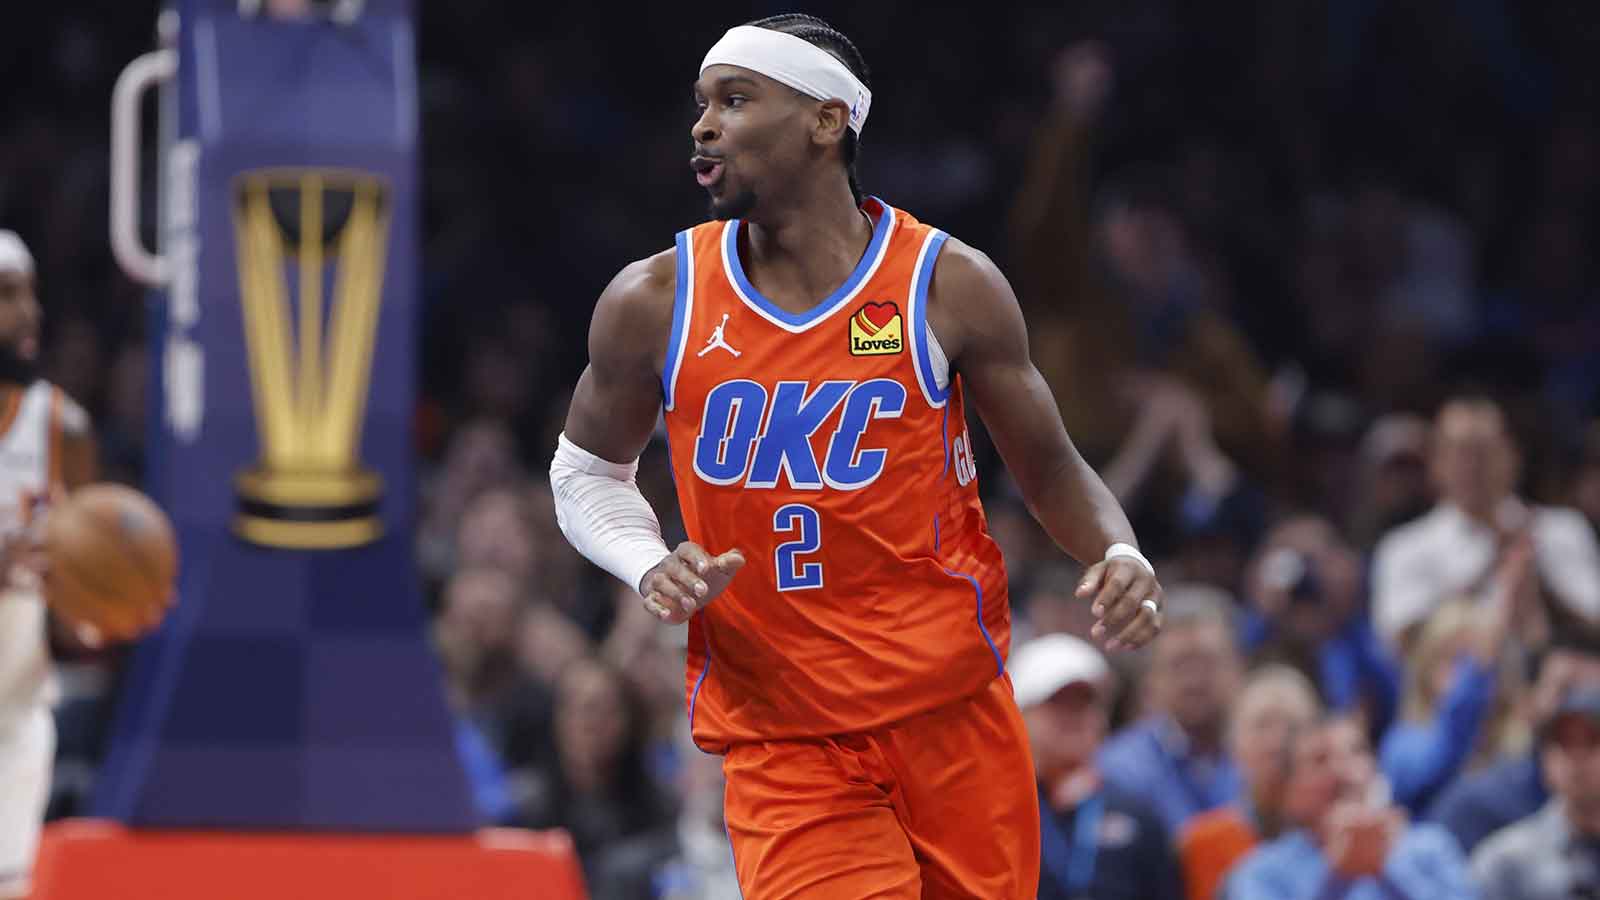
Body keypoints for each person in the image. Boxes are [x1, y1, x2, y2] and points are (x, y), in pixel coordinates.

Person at [548, 14, 1166, 899]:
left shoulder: (947, 284)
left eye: (735, 98)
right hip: (785, 733)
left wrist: (1118, 550)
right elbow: (583, 476)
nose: (704, 124)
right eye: (700, 104)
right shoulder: (654, 298)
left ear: (826, 120)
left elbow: (1052, 468)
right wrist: (648, 563)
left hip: (952, 711)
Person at [0, 230, 109, 899]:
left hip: (13, 716)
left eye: (31, 293)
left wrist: (98, 608)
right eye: (7, 295)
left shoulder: (63, 429)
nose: (29, 312)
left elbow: (75, 618)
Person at [1372, 396, 1600, 651]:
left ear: (1512, 456)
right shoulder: (1404, 547)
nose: (1472, 467)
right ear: (1436, 464)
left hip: (1558, 682)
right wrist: (1491, 565)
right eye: (1460, 452)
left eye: (1484, 452)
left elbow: (1594, 621)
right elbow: (1401, 640)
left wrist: (1541, 584)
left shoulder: (1562, 529)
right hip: (1457, 688)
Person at [1222, 715, 1476, 900]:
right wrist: (1338, 879)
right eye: (1320, 760)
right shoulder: (1261, 873)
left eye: (1356, 752)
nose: (1341, 771)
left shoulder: (1430, 846)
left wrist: (1384, 870)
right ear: (1289, 793)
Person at [1011, 633, 1181, 900]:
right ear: (1020, 713)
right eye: (1058, 703)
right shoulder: (997, 816)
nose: (1074, 716)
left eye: (1085, 702)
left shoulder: (1138, 816)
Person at [1426, 640, 1600, 854]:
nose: (1580, 707)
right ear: (1526, 702)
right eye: (1566, 690)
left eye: (1594, 693)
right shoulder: (1480, 806)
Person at [1098, 586, 1243, 834]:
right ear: (1151, 682)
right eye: (1180, 665)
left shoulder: (1268, 752)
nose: (1194, 680)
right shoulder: (1120, 769)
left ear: (1238, 669)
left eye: (1206, 662)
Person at [1179, 664, 1322, 900]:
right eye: (1261, 725)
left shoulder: (1333, 839)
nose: (1276, 742)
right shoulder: (1200, 844)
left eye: (1292, 726)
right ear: (1233, 744)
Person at [1471, 687, 1600, 898]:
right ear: (1546, 758)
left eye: (1592, 740)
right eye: (1564, 742)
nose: (1577, 756)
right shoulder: (1507, 862)